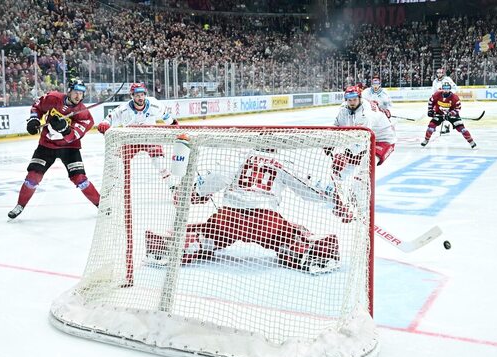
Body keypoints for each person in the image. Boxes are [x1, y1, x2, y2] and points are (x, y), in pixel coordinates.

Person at [144, 148, 353, 274]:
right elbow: (307, 187)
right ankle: (304, 249)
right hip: (266, 221)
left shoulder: (239, 156)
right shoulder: (282, 162)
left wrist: (196, 192)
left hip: (228, 217)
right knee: (289, 233)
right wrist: (336, 202)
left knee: (207, 231)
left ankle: (182, 242)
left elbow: (217, 176)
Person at [7, 78, 99, 219]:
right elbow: (37, 107)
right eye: (75, 92)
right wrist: (34, 120)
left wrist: (65, 130)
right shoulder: (53, 98)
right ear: (69, 91)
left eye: (81, 93)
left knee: (80, 179)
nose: (78, 96)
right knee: (32, 177)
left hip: (69, 148)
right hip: (46, 145)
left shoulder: (84, 114)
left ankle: (101, 205)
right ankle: (20, 205)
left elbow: (74, 136)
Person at [97, 82, 179, 185]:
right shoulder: (124, 109)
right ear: (132, 96)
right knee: (116, 161)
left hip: (150, 138)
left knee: (159, 162)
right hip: (130, 140)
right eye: (137, 95)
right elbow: (109, 118)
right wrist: (104, 123)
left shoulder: (154, 104)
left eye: (142, 94)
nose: (140, 97)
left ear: (145, 94)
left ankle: (174, 188)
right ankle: (112, 188)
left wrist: (174, 126)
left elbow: (167, 117)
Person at [330, 85, 396, 179]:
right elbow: (336, 126)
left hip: (383, 140)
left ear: (360, 98)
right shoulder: (344, 108)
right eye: (349, 100)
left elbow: (360, 139)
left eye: (354, 99)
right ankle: (337, 183)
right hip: (365, 139)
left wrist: (344, 155)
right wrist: (329, 142)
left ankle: (357, 191)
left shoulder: (366, 113)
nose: (352, 102)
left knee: (366, 167)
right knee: (342, 168)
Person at [421, 82, 477, 148]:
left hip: (451, 115)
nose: (446, 90)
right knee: (431, 127)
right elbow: (430, 101)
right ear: (442, 88)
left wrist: (450, 113)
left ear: (450, 89)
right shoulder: (437, 94)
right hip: (439, 114)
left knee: (462, 129)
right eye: (444, 88)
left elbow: (458, 108)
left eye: (447, 88)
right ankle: (426, 140)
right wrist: (430, 110)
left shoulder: (455, 98)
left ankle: (471, 141)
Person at [432, 68, 458, 134]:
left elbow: (455, 88)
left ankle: (446, 127)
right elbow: (434, 91)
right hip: (439, 100)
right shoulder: (435, 81)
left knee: (446, 113)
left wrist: (449, 95)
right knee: (436, 112)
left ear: (443, 73)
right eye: (438, 73)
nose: (439, 74)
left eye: (440, 73)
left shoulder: (447, 79)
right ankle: (433, 126)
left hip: (448, 99)